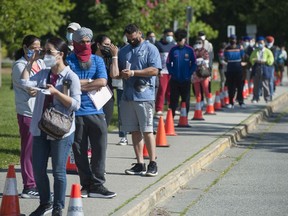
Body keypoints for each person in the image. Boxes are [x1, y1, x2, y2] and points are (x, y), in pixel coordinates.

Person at [21, 37, 81, 215]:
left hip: (61, 131)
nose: (45, 54)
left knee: (58, 171)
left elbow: (76, 104)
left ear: (60, 54)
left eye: (49, 51)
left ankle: (58, 206)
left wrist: (56, 93)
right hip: (40, 128)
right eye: (44, 51)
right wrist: (31, 62)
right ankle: (45, 203)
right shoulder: (44, 73)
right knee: (38, 170)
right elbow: (25, 82)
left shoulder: (71, 76)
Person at [66, 27, 117, 198]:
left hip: (96, 111)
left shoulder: (97, 60)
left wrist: (78, 85)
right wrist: (89, 82)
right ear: (75, 43)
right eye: (82, 42)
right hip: (76, 112)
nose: (86, 44)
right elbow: (66, 83)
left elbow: (102, 81)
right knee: (79, 152)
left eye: (88, 41)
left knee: (99, 149)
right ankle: (86, 185)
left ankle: (98, 184)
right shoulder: (68, 61)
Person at [118, 23, 161, 176]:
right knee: (134, 131)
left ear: (140, 33)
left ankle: (153, 163)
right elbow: (117, 73)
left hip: (145, 96)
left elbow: (155, 70)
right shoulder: (124, 51)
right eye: (129, 40)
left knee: (147, 130)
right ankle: (140, 163)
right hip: (128, 95)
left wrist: (134, 73)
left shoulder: (150, 49)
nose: (132, 42)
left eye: (134, 39)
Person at [12, 35, 45, 199]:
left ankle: (37, 183)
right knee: (28, 149)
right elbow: (30, 90)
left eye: (39, 47)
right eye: (33, 47)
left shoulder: (41, 63)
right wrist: (46, 87)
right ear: (25, 48)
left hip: (41, 112)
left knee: (39, 151)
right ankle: (28, 185)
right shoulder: (20, 66)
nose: (37, 50)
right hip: (28, 112)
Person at [166, 29, 197, 117]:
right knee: (173, 99)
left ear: (185, 39)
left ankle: (184, 117)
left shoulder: (190, 50)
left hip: (186, 79)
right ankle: (171, 118)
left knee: (185, 99)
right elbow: (168, 63)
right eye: (177, 40)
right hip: (175, 79)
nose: (179, 42)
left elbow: (194, 63)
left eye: (181, 40)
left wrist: (189, 74)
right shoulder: (173, 50)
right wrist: (172, 73)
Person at [92, 34, 119, 127]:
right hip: (91, 94)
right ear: (98, 45)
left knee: (104, 127)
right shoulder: (90, 58)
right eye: (106, 44)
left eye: (110, 45)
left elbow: (115, 75)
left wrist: (114, 56)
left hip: (106, 95)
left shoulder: (109, 58)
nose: (109, 47)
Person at [154, 28, 175, 118]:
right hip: (162, 71)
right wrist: (158, 70)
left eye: (171, 35)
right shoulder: (158, 45)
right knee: (162, 90)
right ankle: (159, 109)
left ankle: (171, 107)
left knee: (171, 91)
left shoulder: (173, 45)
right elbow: (155, 58)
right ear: (164, 35)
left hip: (171, 71)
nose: (170, 37)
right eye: (168, 35)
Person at [250, 36, 274, 103]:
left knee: (265, 84)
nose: (261, 44)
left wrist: (265, 61)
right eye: (259, 43)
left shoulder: (268, 51)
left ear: (264, 43)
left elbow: (271, 59)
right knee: (256, 84)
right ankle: (255, 98)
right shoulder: (255, 51)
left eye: (262, 43)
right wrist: (254, 60)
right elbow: (251, 58)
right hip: (257, 67)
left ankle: (267, 98)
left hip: (265, 67)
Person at [224, 34, 245, 108]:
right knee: (231, 87)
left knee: (240, 86)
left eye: (234, 39)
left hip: (238, 69)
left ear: (236, 40)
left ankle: (241, 102)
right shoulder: (227, 48)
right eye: (231, 39)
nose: (233, 41)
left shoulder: (240, 48)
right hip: (230, 69)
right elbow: (226, 58)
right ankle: (231, 102)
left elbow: (243, 57)